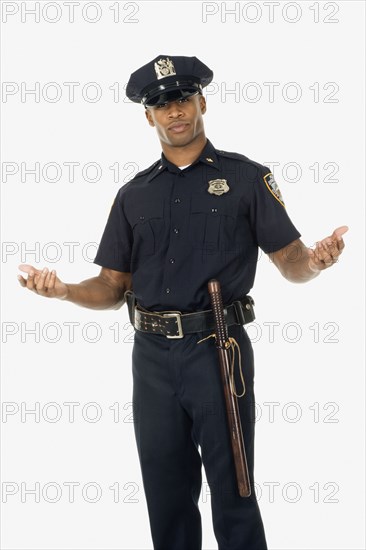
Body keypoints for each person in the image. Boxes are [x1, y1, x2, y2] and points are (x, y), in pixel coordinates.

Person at [18, 55, 348, 550]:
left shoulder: (246, 179)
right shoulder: (133, 195)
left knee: (233, 488)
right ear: (147, 116)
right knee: (166, 494)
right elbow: (111, 287)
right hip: (150, 358)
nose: (175, 111)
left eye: (183, 99)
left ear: (202, 103)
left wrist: (317, 262)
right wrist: (64, 290)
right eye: (162, 105)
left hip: (219, 350)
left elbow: (292, 263)